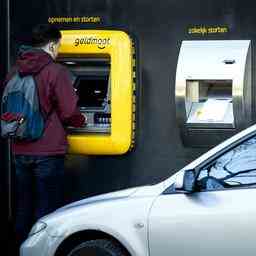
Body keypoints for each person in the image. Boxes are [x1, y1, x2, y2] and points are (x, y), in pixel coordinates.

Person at [2, 24, 86, 247]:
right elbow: (69, 113)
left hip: (20, 150)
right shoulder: (55, 71)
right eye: (58, 46)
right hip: (48, 152)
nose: (58, 51)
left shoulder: (14, 70)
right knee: (47, 211)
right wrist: (83, 120)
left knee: (23, 207)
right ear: (51, 44)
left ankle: (21, 249)